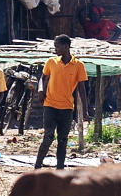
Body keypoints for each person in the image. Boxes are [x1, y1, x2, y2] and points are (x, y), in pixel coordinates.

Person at [34, 34, 88, 170]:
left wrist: (85, 110)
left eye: (57, 46)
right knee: (48, 136)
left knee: (63, 140)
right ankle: (37, 166)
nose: (55, 49)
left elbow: (82, 90)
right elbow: (43, 77)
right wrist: (41, 90)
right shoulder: (51, 62)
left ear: (66, 46)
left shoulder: (78, 65)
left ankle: (60, 169)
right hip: (50, 105)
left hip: (67, 107)